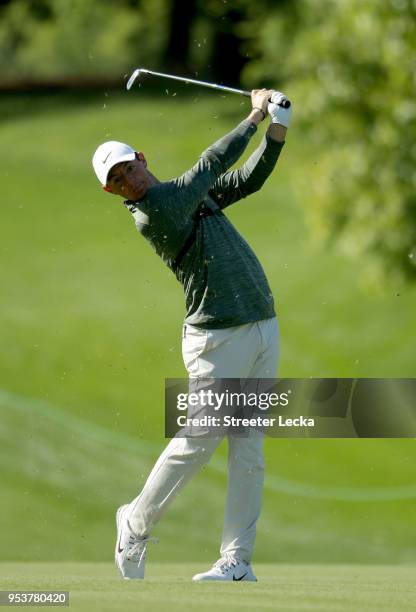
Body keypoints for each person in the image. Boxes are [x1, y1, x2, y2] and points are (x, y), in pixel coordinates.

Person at [92, 89, 291, 582]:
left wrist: (278, 130)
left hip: (262, 324)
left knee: (249, 449)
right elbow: (210, 163)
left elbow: (247, 179)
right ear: (113, 193)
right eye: (116, 181)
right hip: (216, 339)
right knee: (200, 439)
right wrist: (253, 114)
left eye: (127, 168)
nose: (126, 180)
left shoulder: (184, 194)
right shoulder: (155, 210)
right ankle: (134, 523)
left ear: (142, 159)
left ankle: (236, 560)